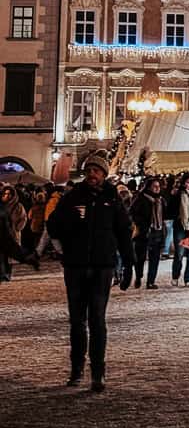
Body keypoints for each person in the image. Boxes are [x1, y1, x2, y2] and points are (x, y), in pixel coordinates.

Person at [46, 152, 133, 391]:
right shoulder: (72, 197)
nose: (92, 174)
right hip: (76, 267)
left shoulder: (112, 199)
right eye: (90, 170)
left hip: (102, 267)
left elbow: (124, 231)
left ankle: (98, 371)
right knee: (77, 321)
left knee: (97, 320)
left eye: (97, 171)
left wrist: (129, 263)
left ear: (104, 175)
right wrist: (63, 248)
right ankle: (76, 369)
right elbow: (53, 225)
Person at [130, 177, 166, 288]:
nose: (157, 189)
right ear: (149, 187)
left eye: (158, 186)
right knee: (140, 257)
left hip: (158, 231)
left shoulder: (161, 200)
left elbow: (166, 214)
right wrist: (142, 224)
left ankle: (151, 281)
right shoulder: (141, 198)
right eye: (154, 186)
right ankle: (139, 276)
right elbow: (132, 213)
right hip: (144, 232)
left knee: (155, 258)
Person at [167, 174, 189, 288]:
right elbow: (170, 210)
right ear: (183, 183)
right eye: (188, 183)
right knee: (179, 253)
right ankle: (175, 276)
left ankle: (188, 278)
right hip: (180, 225)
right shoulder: (178, 195)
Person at [0, 185, 28, 281]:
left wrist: (17, 228)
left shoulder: (18, 206)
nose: (7, 196)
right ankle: (3, 273)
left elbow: (23, 218)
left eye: (9, 194)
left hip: (13, 233)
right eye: (5, 194)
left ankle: (8, 273)